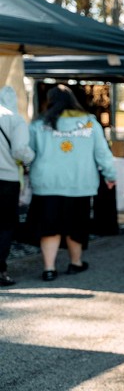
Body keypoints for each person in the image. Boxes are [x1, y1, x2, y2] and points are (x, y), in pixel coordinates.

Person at [27, 85, 116, 281]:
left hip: (46, 184)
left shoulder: (39, 124)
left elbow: (28, 154)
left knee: (49, 226)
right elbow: (103, 154)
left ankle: (49, 268)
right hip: (80, 183)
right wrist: (110, 175)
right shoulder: (89, 124)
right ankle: (75, 263)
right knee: (77, 225)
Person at [0, 86, 35, 286]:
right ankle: (0, 269)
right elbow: (20, 150)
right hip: (6, 179)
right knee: (5, 225)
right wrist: (32, 158)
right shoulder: (15, 119)